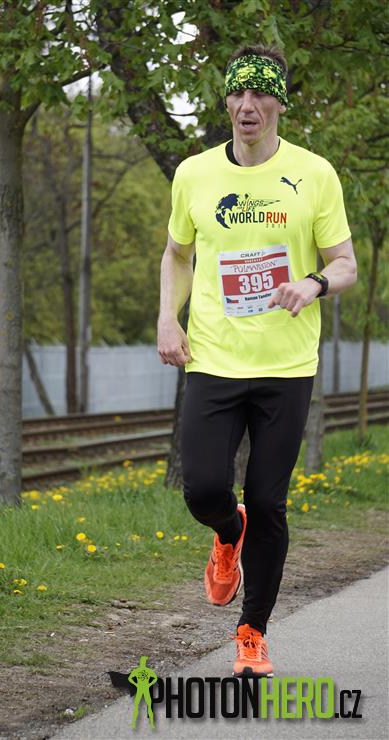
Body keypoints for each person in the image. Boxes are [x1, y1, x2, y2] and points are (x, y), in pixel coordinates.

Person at [157, 44, 357, 678]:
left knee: (269, 503)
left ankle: (252, 632)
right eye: (237, 94)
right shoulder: (194, 174)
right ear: (227, 102)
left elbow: (345, 264)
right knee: (204, 491)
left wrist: (313, 284)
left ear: (279, 104)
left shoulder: (314, 174)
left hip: (285, 367)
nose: (247, 106)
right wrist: (167, 317)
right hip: (214, 359)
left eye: (261, 94)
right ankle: (226, 531)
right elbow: (177, 254)